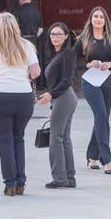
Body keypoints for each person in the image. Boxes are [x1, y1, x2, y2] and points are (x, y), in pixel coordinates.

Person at [0, 12, 40, 196]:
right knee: (19, 138)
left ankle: (10, 183)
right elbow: (36, 72)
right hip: (23, 98)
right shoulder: (27, 46)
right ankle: (21, 181)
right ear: (16, 27)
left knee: (4, 141)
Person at [75, 6, 111, 175]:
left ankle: (92, 157)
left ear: (105, 21)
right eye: (95, 16)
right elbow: (71, 62)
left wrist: (110, 64)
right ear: (90, 19)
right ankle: (107, 159)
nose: (98, 19)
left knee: (103, 117)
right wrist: (88, 64)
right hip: (90, 81)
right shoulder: (84, 38)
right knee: (101, 115)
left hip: (108, 81)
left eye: (101, 17)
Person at [38, 22, 78, 189]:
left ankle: (59, 178)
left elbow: (67, 80)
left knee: (56, 138)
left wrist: (50, 95)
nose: (55, 37)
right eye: (53, 34)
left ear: (67, 36)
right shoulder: (56, 54)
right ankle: (69, 178)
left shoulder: (67, 54)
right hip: (62, 99)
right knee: (64, 139)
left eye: (59, 34)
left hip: (64, 96)